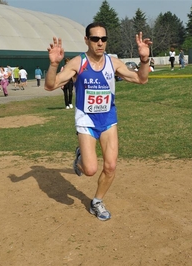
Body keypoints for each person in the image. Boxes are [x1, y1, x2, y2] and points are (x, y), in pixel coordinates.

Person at [44, 22, 152, 221]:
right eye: (95, 39)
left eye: (103, 39)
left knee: (110, 167)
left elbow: (141, 79)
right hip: (86, 120)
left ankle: (97, 201)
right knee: (91, 170)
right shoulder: (78, 63)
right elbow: (50, 85)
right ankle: (80, 159)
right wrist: (53, 65)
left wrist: (144, 59)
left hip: (108, 120)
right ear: (87, 40)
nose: (100, 43)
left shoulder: (113, 62)